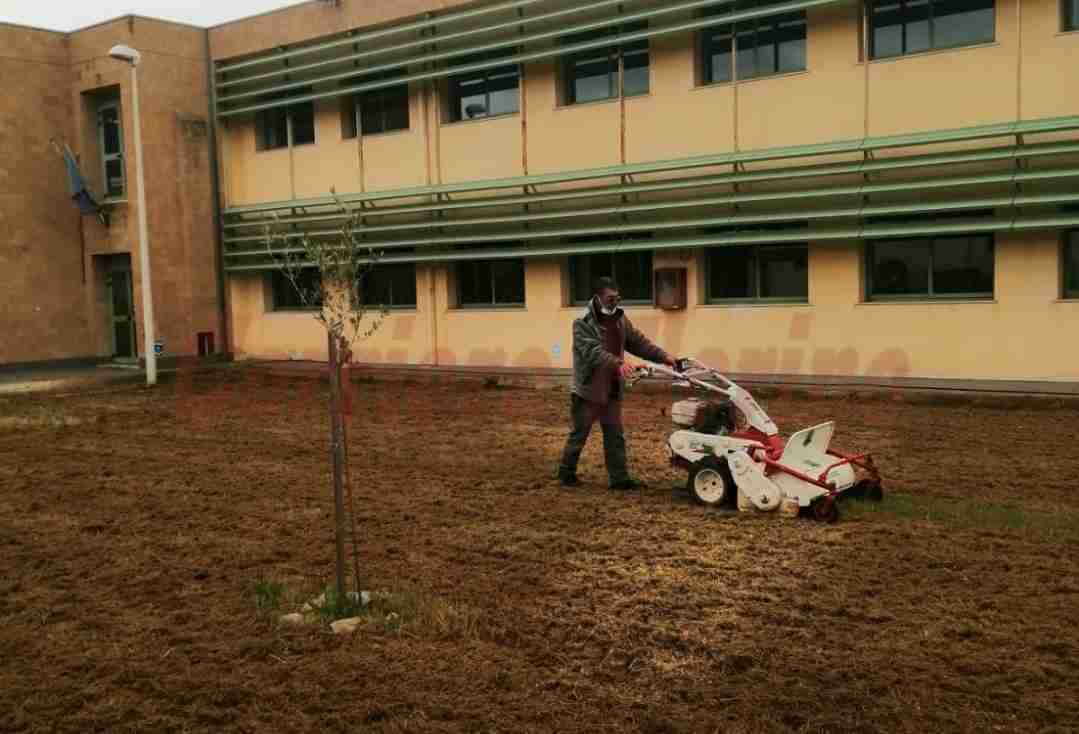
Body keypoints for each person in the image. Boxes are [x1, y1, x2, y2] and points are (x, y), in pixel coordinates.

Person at [556, 276, 680, 490]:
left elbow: (638, 343)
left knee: (615, 434)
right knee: (579, 433)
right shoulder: (582, 322)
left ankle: (619, 479)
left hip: (611, 387)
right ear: (598, 297)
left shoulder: (620, 319)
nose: (615, 303)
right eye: (611, 299)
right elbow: (592, 352)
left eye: (618, 298)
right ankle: (566, 473)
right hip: (588, 388)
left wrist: (665, 357)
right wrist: (619, 364)